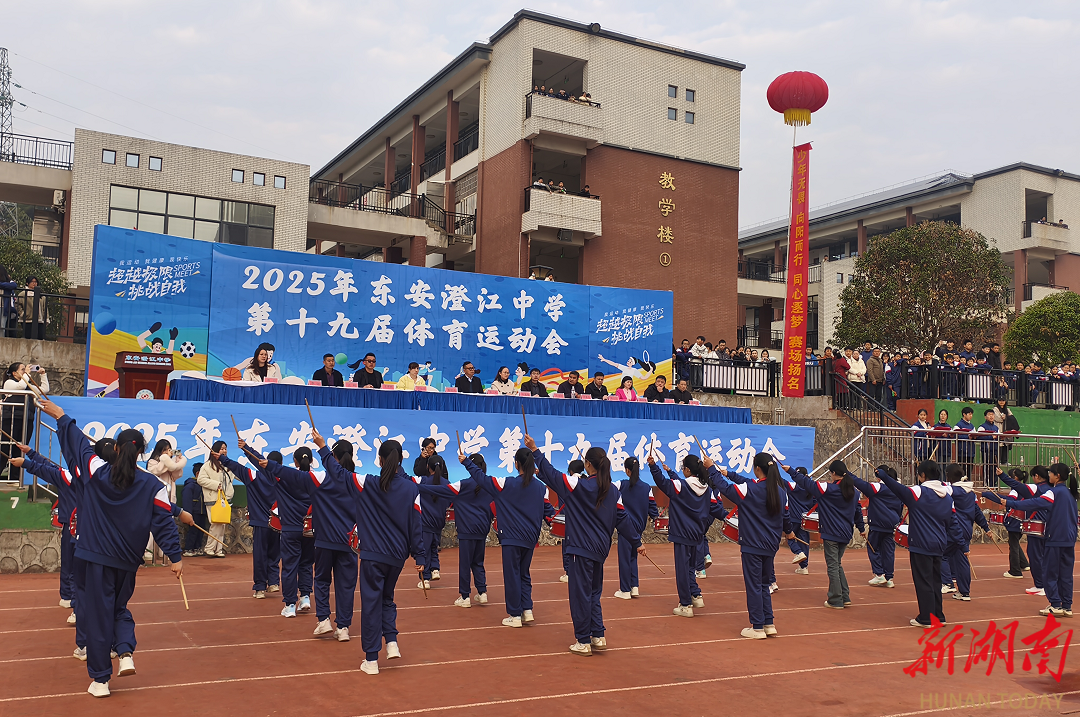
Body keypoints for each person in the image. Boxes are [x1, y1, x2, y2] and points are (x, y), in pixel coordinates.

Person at [43, 399, 183, 698]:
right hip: (127, 563)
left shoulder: (96, 472)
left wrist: (62, 417)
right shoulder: (152, 485)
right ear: (142, 452)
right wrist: (175, 556)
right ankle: (124, 651)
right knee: (118, 609)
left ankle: (101, 679)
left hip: (92, 559)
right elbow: (164, 523)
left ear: (117, 449)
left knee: (96, 616)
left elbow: (79, 446)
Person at [315, 434, 425, 675]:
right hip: (397, 556)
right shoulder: (411, 488)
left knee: (371, 604)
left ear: (380, 459)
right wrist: (421, 557)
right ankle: (392, 642)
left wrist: (323, 448)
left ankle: (372, 659)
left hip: (373, 556)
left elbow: (339, 474)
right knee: (387, 599)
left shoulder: (369, 483)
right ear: (401, 460)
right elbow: (416, 524)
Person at [529, 436, 627, 656]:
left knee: (580, 595)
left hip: (580, 549)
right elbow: (623, 518)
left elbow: (553, 476)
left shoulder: (578, 485)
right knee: (593, 593)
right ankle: (598, 635)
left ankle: (583, 640)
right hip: (600, 550)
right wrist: (637, 541)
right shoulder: (612, 490)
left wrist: (535, 450)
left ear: (588, 465)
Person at [270, 437, 357, 642]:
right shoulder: (358, 481)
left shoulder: (320, 479)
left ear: (332, 457)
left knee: (322, 580)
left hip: (325, 540)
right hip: (348, 543)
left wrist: (268, 464)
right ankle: (343, 627)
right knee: (346, 585)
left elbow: (291, 474)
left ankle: (324, 620)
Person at [462, 446, 547, 628]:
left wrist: (467, 463)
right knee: (524, 573)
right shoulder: (540, 487)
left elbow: (482, 479)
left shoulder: (506, 483)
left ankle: (515, 614)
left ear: (516, 464)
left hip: (511, 538)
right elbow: (548, 511)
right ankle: (527, 609)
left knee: (512, 574)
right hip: (530, 538)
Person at [710, 453, 791, 639]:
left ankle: (757, 627)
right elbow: (786, 517)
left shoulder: (751, 489)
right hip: (771, 545)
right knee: (764, 584)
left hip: (752, 544)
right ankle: (768, 622)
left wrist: (711, 470)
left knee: (754, 585)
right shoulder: (781, 491)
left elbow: (725, 489)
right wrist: (790, 532)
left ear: (757, 469)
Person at [983, 462, 1077, 617]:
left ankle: (1055, 605)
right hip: (1069, 538)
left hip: (1055, 538)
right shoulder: (1070, 494)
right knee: (1066, 574)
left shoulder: (1053, 493)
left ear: (1057, 476)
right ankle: (1066, 605)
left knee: (1050, 572)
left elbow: (1033, 503)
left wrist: (1010, 503)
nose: (1049, 476)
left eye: (1051, 473)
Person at [879, 460, 953, 627]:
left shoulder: (919, 492)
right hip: (940, 542)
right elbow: (950, 520)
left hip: (921, 542)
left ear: (923, 476)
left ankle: (926, 617)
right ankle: (938, 616)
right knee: (935, 581)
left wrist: (883, 476)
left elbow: (898, 490)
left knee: (923, 581)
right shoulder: (947, 496)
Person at [784, 461, 865, 609]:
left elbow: (807, 484)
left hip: (831, 533)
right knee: (837, 564)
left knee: (833, 566)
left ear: (833, 474)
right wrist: (861, 528)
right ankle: (844, 596)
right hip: (846, 533)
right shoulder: (854, 492)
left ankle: (835, 599)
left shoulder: (829, 488)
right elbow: (858, 511)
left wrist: (791, 472)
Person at [418, 453, 494, 608]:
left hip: (467, 530)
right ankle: (482, 592)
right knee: (478, 562)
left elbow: (440, 490)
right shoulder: (490, 485)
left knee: (465, 563)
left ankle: (465, 596)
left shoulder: (463, 485)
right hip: (482, 529)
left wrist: (416, 486)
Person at [9, 441, 77, 613]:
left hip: (75, 526)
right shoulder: (83, 476)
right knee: (71, 564)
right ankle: (69, 596)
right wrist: (30, 452)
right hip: (79, 526)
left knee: (74, 566)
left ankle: (74, 601)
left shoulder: (68, 478)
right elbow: (49, 467)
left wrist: (25, 462)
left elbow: (46, 470)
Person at [647, 454, 713, 618]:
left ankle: (685, 604)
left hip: (682, 533)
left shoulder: (681, 486)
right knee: (690, 567)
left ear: (688, 470)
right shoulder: (706, 488)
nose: (682, 470)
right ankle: (695, 594)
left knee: (683, 569)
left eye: (683, 468)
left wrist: (653, 466)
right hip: (697, 533)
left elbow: (662, 483)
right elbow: (716, 508)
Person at [255, 445, 314, 617]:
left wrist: (247, 448)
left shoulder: (285, 477)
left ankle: (289, 605)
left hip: (290, 529)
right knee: (306, 564)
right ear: (311, 460)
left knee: (289, 566)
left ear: (294, 461)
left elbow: (262, 464)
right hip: (309, 529)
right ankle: (305, 597)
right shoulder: (316, 478)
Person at [218, 445, 280, 598]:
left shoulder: (253, 476)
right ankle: (273, 582)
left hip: (260, 522)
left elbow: (236, 466)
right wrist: (246, 448)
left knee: (260, 554)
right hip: (278, 523)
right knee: (274, 553)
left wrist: (223, 458)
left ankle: (260, 587)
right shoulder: (284, 477)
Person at [998, 466, 1050, 596]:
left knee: (1037, 556)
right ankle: (1041, 584)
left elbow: (1019, 488)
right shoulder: (1052, 489)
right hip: (1045, 527)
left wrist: (1002, 476)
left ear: (1037, 476)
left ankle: (1042, 585)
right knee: (1039, 555)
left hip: (1039, 527)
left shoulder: (1039, 489)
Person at [612, 457, 658, 600]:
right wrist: (656, 517)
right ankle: (634, 586)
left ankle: (625, 590)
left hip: (626, 527)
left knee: (625, 558)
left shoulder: (620, 484)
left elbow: (606, 489)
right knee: (632, 557)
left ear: (627, 470)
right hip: (638, 527)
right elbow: (653, 508)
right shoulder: (646, 487)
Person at [943, 463, 990, 602]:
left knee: (940, 554)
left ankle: (947, 583)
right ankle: (964, 592)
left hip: (954, 529)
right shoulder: (971, 493)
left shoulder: (951, 491)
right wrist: (986, 527)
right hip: (967, 530)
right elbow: (977, 512)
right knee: (962, 559)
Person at [853, 465, 903, 588]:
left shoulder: (879, 487)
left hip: (878, 524)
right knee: (889, 551)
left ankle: (879, 574)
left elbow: (862, 485)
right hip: (892, 524)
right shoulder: (899, 489)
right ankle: (889, 577)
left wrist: (848, 474)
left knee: (873, 548)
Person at [1, 362, 49, 484]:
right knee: (5, 448)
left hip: (26, 419)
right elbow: (20, 387)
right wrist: (27, 374)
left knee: (20, 449)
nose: (25, 371)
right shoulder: (9, 383)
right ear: (14, 373)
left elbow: (44, 390)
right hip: (11, 419)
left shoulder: (27, 384)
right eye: (22, 369)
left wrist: (43, 375)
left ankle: (14, 478)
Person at [412, 454, 451, 588]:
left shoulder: (423, 481)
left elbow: (407, 480)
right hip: (439, 521)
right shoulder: (447, 484)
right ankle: (435, 569)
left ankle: (425, 579)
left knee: (425, 549)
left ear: (428, 467)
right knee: (434, 546)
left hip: (425, 521)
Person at [145, 440, 187, 563]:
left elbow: (177, 474)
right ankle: (149, 552)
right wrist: (166, 460)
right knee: (152, 525)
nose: (168, 452)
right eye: (165, 450)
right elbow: (156, 471)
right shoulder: (152, 462)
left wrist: (177, 461)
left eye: (169, 449)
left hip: (169, 497)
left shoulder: (170, 462)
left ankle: (164, 552)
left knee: (167, 525)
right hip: (156, 498)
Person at [196, 442, 235, 558]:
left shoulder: (228, 465)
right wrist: (216, 484)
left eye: (225, 449)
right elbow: (200, 479)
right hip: (213, 498)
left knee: (222, 524)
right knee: (216, 523)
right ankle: (209, 548)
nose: (224, 451)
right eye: (221, 449)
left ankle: (218, 549)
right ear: (215, 451)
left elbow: (239, 475)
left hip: (225, 499)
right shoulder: (208, 465)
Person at [784, 465, 814, 575]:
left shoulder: (793, 487)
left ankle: (798, 552)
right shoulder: (811, 488)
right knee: (804, 541)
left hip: (794, 518)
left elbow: (780, 481)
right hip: (805, 519)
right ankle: (804, 567)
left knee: (790, 537)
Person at [181, 462, 207, 557]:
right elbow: (186, 500)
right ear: (197, 473)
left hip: (202, 512)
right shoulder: (190, 485)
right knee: (193, 531)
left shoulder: (203, 485)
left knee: (201, 530)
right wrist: (188, 513)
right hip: (194, 512)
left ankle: (197, 548)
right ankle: (188, 549)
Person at [975, 408, 999, 484]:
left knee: (995, 467)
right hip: (986, 450)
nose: (991, 416)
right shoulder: (982, 427)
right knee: (988, 467)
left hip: (995, 450)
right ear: (985, 417)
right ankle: (987, 484)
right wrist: (991, 437)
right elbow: (979, 436)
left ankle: (994, 484)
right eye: (989, 415)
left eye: (992, 415)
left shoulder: (996, 428)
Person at [953, 407, 976, 482]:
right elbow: (955, 435)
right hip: (961, 451)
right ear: (964, 414)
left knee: (969, 469)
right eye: (969, 414)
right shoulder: (958, 425)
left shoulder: (972, 426)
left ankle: (968, 483)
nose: (971, 416)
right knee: (962, 469)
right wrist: (967, 436)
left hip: (970, 451)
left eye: (971, 414)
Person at [0, 266, 17, 337]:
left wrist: (1, 285)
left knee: (2, 325)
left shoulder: (8, 281)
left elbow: (14, 285)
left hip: (4, 307)